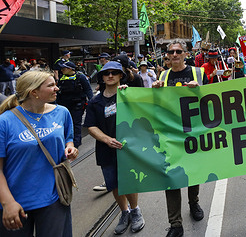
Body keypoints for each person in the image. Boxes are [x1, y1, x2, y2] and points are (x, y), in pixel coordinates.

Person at [0, 70, 78, 236]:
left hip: (55, 196)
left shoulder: (62, 112)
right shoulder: (5, 122)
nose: (57, 88)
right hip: (15, 203)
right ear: (33, 92)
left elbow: (68, 139)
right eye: (51, 85)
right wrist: (8, 203)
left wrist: (70, 147)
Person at [153, 40, 208, 237]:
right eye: (171, 52)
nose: (174, 54)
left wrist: (199, 88)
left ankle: (194, 203)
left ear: (185, 54)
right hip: (170, 134)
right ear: (167, 55)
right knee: (171, 177)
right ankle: (175, 223)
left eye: (178, 51)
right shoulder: (163, 76)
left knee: (192, 172)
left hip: (193, 132)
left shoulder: (198, 73)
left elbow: (213, 100)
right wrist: (155, 91)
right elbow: (156, 104)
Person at [84, 61, 145, 235]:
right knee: (113, 183)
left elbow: (145, 111)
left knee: (129, 181)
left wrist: (129, 95)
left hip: (127, 149)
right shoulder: (95, 102)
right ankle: (124, 212)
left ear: (120, 76)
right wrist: (106, 139)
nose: (110, 76)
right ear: (102, 77)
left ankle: (135, 211)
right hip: (106, 149)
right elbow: (91, 126)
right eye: (106, 73)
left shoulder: (127, 95)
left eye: (114, 73)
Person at [57, 61, 93, 148]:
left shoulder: (80, 77)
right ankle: (67, 141)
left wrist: (91, 102)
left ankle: (76, 142)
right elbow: (58, 91)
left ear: (70, 69)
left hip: (77, 104)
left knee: (76, 123)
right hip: (64, 105)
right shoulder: (62, 78)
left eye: (64, 68)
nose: (61, 70)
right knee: (65, 123)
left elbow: (88, 90)